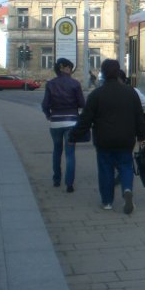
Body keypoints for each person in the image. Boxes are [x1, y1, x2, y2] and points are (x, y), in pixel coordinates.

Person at [70, 59, 145, 214]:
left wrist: (73, 136)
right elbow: (139, 117)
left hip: (103, 140)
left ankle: (107, 202)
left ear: (103, 73)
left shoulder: (96, 94)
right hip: (126, 139)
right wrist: (141, 137)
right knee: (126, 166)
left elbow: (86, 119)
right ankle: (127, 189)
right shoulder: (130, 93)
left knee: (105, 169)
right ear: (118, 72)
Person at [41, 58, 86, 192]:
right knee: (70, 153)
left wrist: (49, 115)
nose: (71, 71)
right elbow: (82, 104)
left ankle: (56, 180)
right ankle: (69, 184)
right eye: (70, 68)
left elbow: (44, 105)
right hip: (71, 122)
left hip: (55, 122)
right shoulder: (75, 84)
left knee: (57, 150)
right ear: (65, 68)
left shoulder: (50, 84)